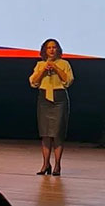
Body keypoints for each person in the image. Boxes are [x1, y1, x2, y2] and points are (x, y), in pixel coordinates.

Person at [29, 38, 74, 176]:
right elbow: (33, 82)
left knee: (57, 134)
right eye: (49, 48)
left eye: (54, 47)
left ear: (58, 49)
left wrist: (56, 68)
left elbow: (68, 81)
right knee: (45, 134)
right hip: (44, 99)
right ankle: (45, 164)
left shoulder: (64, 63)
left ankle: (57, 165)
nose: (52, 50)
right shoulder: (40, 64)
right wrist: (43, 70)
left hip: (59, 99)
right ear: (45, 50)